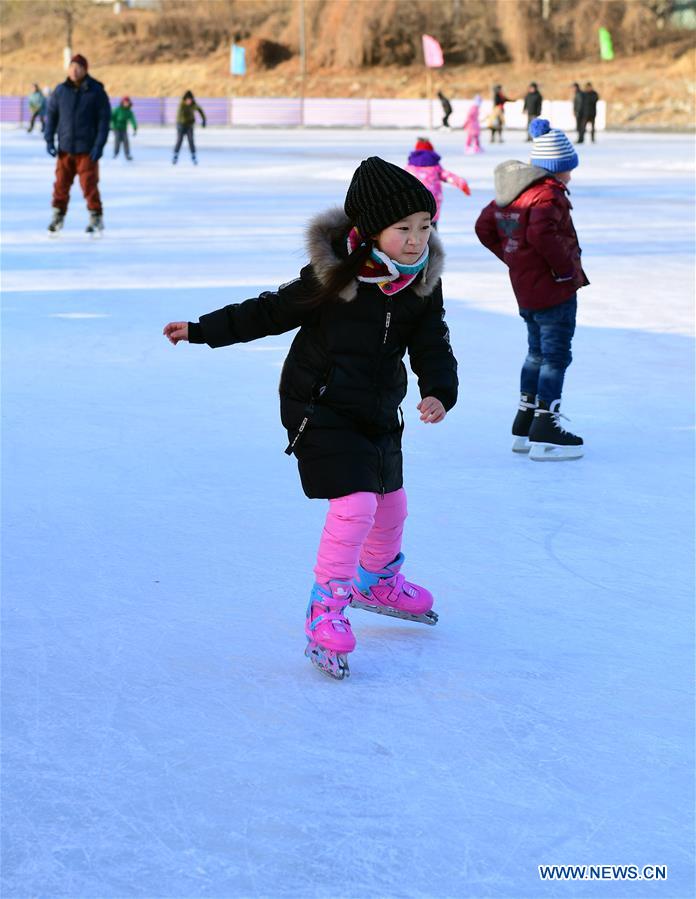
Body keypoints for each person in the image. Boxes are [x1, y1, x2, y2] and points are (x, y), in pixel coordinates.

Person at [162, 157, 459, 679]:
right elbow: (268, 312)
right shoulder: (334, 276)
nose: (416, 240)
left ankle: (378, 580)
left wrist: (439, 390)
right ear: (369, 232)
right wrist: (202, 329)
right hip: (317, 404)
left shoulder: (420, 283)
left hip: (378, 408)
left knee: (391, 502)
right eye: (403, 229)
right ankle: (327, 608)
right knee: (357, 503)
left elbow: (433, 343)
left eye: (424, 227)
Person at [474, 119, 587, 461]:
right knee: (555, 356)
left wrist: (513, 257)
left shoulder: (513, 193)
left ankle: (525, 423)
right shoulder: (547, 194)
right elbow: (541, 234)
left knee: (536, 353)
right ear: (556, 168)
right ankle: (545, 426)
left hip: (526, 286)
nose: (570, 176)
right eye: (567, 169)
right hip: (554, 289)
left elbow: (484, 227)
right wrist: (565, 270)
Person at [44, 54, 110, 235]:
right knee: (60, 185)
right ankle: (57, 216)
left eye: (78, 67)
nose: (74, 70)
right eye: (72, 66)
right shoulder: (60, 91)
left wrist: (99, 146)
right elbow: (52, 116)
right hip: (65, 148)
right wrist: (49, 139)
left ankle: (96, 217)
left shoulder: (96, 91)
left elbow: (104, 121)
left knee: (89, 184)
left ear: (85, 70)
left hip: (87, 149)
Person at [405, 137, 470, 226]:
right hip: (433, 199)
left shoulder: (410, 167)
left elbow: (400, 179)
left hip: (415, 198)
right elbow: (448, 176)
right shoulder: (435, 166)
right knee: (431, 223)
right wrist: (462, 184)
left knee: (416, 223)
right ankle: (432, 235)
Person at [173, 90, 206, 165]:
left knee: (191, 141)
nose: (189, 101)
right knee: (179, 140)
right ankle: (175, 155)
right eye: (188, 100)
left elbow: (200, 110)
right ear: (185, 99)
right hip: (181, 125)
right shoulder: (182, 106)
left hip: (189, 126)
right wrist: (190, 120)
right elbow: (181, 117)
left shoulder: (193, 105)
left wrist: (204, 119)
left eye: (190, 100)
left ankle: (193, 156)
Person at [111, 96, 137, 160]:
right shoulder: (117, 109)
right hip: (116, 128)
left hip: (123, 128)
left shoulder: (129, 111)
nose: (126, 104)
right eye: (125, 102)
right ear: (122, 102)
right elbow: (111, 117)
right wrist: (111, 125)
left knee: (126, 141)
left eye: (127, 102)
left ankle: (127, 154)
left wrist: (134, 127)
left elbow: (132, 119)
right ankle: (115, 153)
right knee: (117, 140)